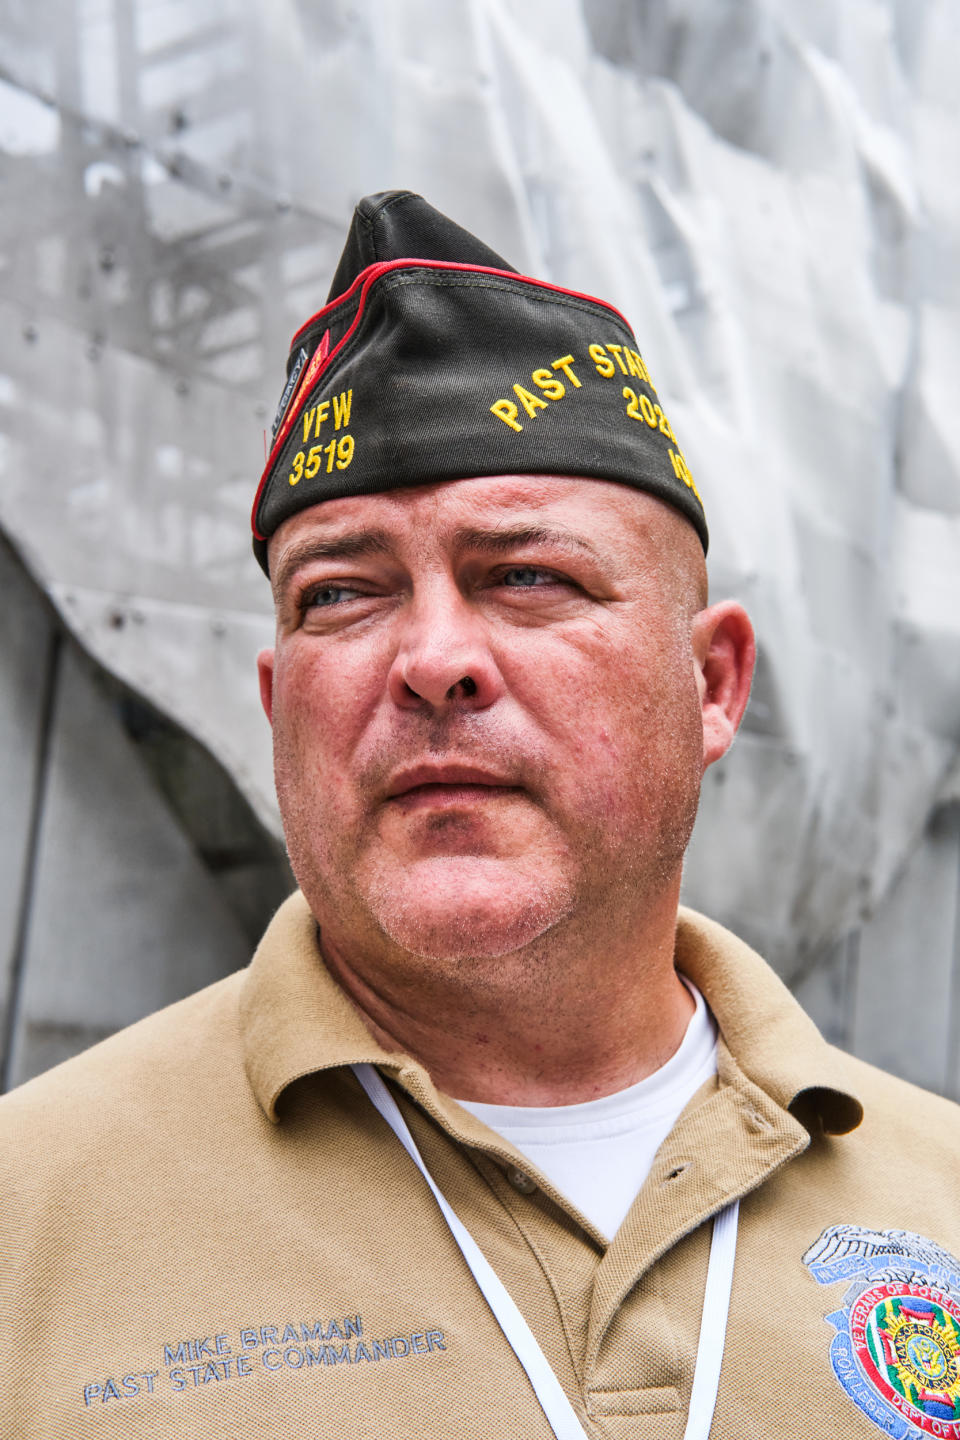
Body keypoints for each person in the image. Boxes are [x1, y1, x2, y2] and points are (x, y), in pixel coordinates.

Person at [2, 191, 959, 1440]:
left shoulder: (939, 1200)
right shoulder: (29, 1219)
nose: (435, 659)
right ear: (277, 702)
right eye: (342, 593)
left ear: (711, 684)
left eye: (528, 576)